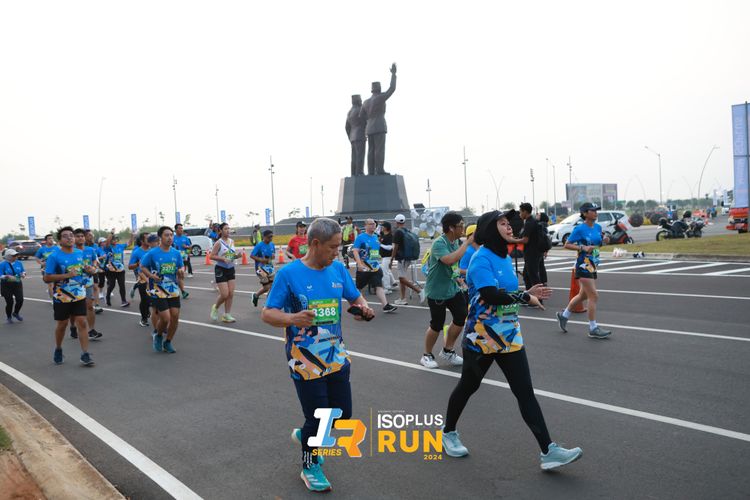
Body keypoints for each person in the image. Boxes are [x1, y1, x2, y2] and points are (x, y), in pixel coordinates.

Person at [441, 211, 583, 470]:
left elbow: (505, 291)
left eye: (509, 223)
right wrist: (526, 297)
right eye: (503, 223)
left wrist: (526, 291)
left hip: (509, 335)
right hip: (482, 337)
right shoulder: (481, 258)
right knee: (468, 387)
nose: (509, 227)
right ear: (489, 229)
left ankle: (548, 451)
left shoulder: (505, 257)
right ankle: (448, 432)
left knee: (525, 392)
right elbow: (490, 295)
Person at [260, 218, 375, 492]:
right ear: (315, 244)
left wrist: (363, 308)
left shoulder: (337, 269)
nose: (337, 252)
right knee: (317, 416)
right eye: (333, 247)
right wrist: (292, 318)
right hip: (304, 359)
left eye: (339, 247)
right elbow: (268, 313)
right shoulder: (289, 274)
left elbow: (355, 297)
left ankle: (307, 435)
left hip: (336, 355)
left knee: (342, 414)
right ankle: (309, 466)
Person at [420, 212, 473, 368]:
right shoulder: (439, 243)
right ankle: (426, 355)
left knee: (461, 316)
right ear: (451, 228)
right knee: (437, 324)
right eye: (461, 225)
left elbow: (453, 267)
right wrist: (467, 243)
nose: (463, 228)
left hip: (452, 288)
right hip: (437, 291)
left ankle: (448, 350)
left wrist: (459, 278)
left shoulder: (455, 242)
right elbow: (450, 260)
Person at [556, 202, 611, 339]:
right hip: (583, 264)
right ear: (585, 213)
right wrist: (582, 248)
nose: (596, 212)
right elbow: (567, 244)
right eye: (593, 210)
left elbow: (597, 244)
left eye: (596, 210)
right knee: (594, 296)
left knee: (583, 295)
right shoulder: (579, 229)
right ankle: (593, 328)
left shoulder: (598, 227)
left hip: (593, 264)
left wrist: (604, 241)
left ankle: (564, 316)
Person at [43, 226, 95, 366]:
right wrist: (66, 275)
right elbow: (46, 278)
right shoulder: (54, 256)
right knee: (62, 324)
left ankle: (85, 354)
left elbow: (83, 270)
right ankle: (58, 348)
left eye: (71, 235)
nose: (70, 238)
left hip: (79, 294)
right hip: (62, 296)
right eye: (65, 236)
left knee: (82, 322)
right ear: (60, 241)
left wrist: (89, 270)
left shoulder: (80, 253)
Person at [140, 226, 184, 353]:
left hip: (173, 288)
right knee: (165, 318)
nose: (170, 237)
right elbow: (142, 267)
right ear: (160, 237)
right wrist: (151, 276)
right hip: (158, 289)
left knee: (175, 317)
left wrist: (181, 271)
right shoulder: (152, 253)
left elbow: (181, 266)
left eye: (171, 235)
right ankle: (158, 335)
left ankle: (168, 342)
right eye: (166, 235)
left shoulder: (176, 253)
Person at [352, 219, 397, 313]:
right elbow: (355, 251)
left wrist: (378, 258)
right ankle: (357, 306)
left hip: (375, 266)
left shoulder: (376, 237)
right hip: (364, 267)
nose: (373, 225)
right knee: (358, 288)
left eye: (374, 224)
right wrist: (359, 264)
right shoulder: (360, 237)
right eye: (371, 224)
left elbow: (375, 251)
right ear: (365, 226)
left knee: (378, 286)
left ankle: (385, 305)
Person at [360, 63, 397, 175]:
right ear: (379, 88)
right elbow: (392, 89)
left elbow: (361, 116)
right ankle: (380, 170)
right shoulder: (380, 97)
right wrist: (393, 74)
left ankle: (371, 171)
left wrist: (367, 123)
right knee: (379, 150)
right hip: (379, 126)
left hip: (369, 128)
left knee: (371, 150)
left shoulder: (365, 102)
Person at [210, 222, 243, 323]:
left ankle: (227, 315)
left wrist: (237, 256)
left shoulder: (232, 241)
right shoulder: (218, 243)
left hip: (231, 268)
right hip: (220, 269)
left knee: (231, 293)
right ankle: (215, 307)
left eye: (229, 228)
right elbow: (211, 256)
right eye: (225, 229)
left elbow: (231, 256)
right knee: (224, 294)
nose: (228, 230)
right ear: (220, 231)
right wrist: (223, 259)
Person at [73, 229, 102, 340]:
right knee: (74, 309)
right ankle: (72, 326)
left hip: (88, 282)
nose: (80, 238)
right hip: (74, 283)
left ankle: (91, 330)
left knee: (89, 306)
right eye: (78, 236)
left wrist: (93, 267)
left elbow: (95, 261)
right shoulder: (71, 251)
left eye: (82, 236)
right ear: (73, 238)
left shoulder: (90, 250)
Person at [390, 214, 425, 305]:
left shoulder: (398, 232)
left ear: (396, 222)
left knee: (401, 278)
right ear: (404, 221)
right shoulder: (407, 230)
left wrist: (391, 259)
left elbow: (395, 247)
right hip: (407, 257)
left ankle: (420, 291)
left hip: (402, 258)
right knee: (402, 277)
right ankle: (402, 298)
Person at [513, 203, 545, 297]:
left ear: (525, 212)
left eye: (520, 212)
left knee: (533, 277)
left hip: (532, 254)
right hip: (535, 253)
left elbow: (525, 240)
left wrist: (513, 240)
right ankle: (529, 297)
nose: (519, 214)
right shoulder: (532, 221)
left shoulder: (529, 223)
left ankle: (538, 298)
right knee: (526, 276)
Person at [128, 233, 155, 328]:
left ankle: (160, 324)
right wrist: (137, 264)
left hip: (154, 279)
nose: (150, 240)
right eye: (147, 238)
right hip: (143, 279)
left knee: (155, 301)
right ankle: (144, 318)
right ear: (142, 241)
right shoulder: (137, 252)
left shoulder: (154, 250)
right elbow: (130, 266)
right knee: (145, 300)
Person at [104, 230, 134, 307]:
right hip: (111, 270)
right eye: (113, 240)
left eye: (115, 239)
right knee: (112, 285)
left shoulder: (120, 246)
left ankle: (123, 301)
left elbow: (129, 243)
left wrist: (132, 235)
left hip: (120, 270)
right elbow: (107, 242)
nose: (114, 241)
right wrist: (111, 233)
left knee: (122, 285)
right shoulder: (108, 247)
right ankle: (107, 296)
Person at [250, 230, 276, 307]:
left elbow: (273, 255)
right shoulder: (259, 245)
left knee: (273, 286)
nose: (271, 238)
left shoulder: (272, 244)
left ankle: (267, 303)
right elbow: (252, 255)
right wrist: (261, 260)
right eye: (269, 237)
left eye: (272, 237)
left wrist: (272, 256)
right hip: (260, 269)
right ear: (264, 237)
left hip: (270, 268)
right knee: (266, 287)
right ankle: (256, 295)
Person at [1, 249, 25, 323]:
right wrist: (6, 276)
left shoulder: (19, 263)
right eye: (14, 255)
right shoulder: (2, 264)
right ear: (8, 256)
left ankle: (16, 313)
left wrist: (23, 274)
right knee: (9, 302)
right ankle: (9, 317)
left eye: (16, 255)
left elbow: (23, 271)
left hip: (17, 283)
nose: (16, 256)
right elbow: (0, 275)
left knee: (20, 300)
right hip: (6, 285)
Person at [84, 231, 104, 314]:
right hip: (82, 272)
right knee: (83, 288)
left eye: (92, 235)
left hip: (93, 270)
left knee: (95, 287)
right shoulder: (78, 247)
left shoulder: (95, 246)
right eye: (89, 235)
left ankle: (97, 305)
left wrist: (95, 266)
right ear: (85, 236)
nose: (92, 236)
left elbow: (96, 258)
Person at [378, 221, 397, 291]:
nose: (381, 227)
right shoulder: (383, 234)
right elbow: (377, 232)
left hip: (387, 256)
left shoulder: (390, 236)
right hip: (383, 256)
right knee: (387, 270)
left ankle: (387, 288)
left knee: (384, 272)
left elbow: (390, 247)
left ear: (386, 227)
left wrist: (380, 244)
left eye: (383, 226)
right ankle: (393, 283)